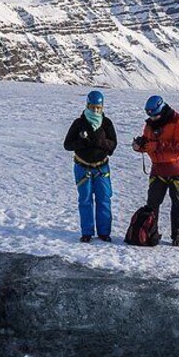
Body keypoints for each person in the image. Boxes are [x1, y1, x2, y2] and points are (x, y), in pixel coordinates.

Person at [131, 95, 179, 246]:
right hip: (158, 169)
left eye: (155, 115)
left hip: (177, 168)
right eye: (150, 115)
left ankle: (177, 236)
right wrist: (139, 146)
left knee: (178, 204)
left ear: (162, 109)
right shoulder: (150, 124)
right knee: (152, 203)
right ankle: (151, 233)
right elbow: (146, 141)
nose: (153, 118)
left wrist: (158, 146)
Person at [64, 90, 117, 243]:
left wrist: (102, 142)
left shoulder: (106, 123)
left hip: (102, 168)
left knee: (104, 199)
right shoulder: (78, 123)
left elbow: (113, 145)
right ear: (87, 105)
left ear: (102, 107)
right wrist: (81, 142)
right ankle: (87, 232)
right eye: (92, 107)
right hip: (83, 167)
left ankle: (104, 232)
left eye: (98, 108)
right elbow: (67, 145)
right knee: (85, 200)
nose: (95, 110)